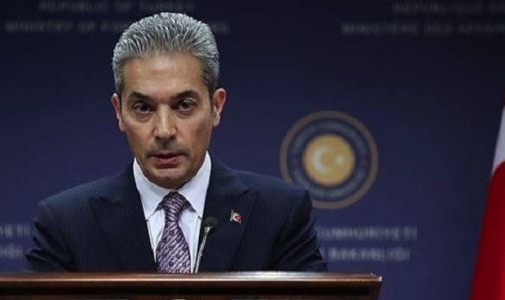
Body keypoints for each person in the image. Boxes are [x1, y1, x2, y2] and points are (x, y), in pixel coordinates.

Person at [25, 12, 326, 272]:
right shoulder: (67, 224)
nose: (164, 130)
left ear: (216, 107)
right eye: (143, 108)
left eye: (184, 105)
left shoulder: (279, 214)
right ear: (119, 112)